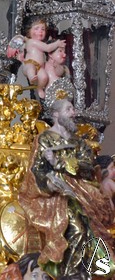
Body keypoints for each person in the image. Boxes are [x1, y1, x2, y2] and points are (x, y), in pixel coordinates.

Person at [18, 97, 115, 280]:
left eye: (73, 109)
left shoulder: (78, 142)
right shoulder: (45, 139)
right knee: (76, 228)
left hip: (83, 191)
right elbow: (36, 170)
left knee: (91, 228)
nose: (73, 113)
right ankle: (71, 274)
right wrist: (48, 184)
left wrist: (59, 162)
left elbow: (87, 166)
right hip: (56, 196)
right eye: (69, 109)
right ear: (56, 114)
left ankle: (88, 271)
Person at [8, 18, 66, 98]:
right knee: (31, 68)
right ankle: (32, 77)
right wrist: (57, 43)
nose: (40, 31)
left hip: (39, 67)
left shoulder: (40, 43)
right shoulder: (32, 41)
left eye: (43, 29)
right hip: (29, 63)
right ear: (29, 31)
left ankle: (39, 88)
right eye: (36, 29)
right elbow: (48, 48)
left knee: (44, 77)